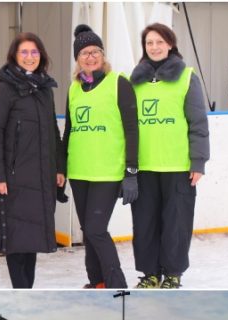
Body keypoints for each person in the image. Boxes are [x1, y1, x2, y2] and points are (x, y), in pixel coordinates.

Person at [129, 23, 210, 289]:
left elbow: (198, 123)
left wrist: (198, 161)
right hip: (144, 167)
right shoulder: (135, 81)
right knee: (145, 225)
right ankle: (150, 273)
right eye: (149, 43)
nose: (154, 47)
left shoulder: (187, 77)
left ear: (170, 44)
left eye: (159, 42)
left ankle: (173, 274)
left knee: (176, 224)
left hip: (177, 166)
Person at [58, 24, 137, 289]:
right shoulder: (73, 89)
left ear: (103, 55)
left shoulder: (119, 83)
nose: (90, 57)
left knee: (95, 229)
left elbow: (131, 130)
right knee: (88, 232)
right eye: (84, 53)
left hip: (107, 172)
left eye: (95, 52)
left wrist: (131, 171)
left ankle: (117, 284)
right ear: (77, 58)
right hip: (79, 171)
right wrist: (61, 169)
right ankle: (97, 281)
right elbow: (68, 132)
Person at [0, 32, 62, 288]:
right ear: (14, 56)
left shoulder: (44, 89)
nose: (30, 57)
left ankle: (27, 289)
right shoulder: (3, 88)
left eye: (34, 52)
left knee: (32, 241)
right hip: (14, 178)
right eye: (24, 52)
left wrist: (58, 167)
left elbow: (53, 130)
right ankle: (21, 291)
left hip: (40, 177)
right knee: (17, 242)